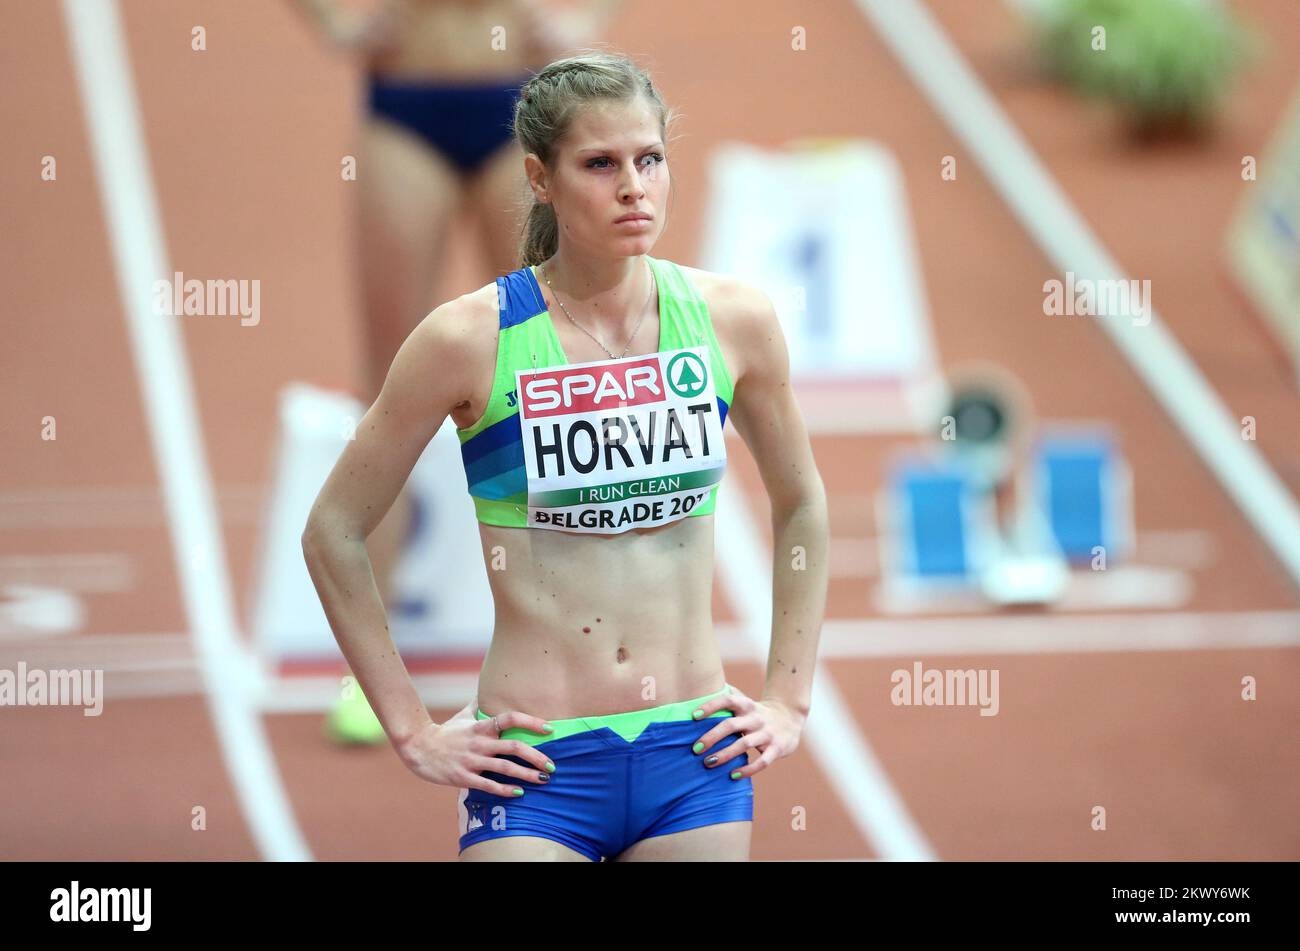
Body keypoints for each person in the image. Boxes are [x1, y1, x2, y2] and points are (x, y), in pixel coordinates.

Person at [301, 50, 829, 861]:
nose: (633, 187)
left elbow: (801, 503)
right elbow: (333, 528)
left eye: (650, 159)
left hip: (694, 754)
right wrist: (408, 727)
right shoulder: (468, 339)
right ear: (540, 178)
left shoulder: (733, 321)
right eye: (600, 164)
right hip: (538, 763)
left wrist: (788, 699)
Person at [287, 0, 624, 742]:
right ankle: (366, 672)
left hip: (520, 108)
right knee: (385, 391)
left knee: (550, 371)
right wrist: (333, 25)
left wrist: (586, 22)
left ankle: (586, 648)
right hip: (405, 104)